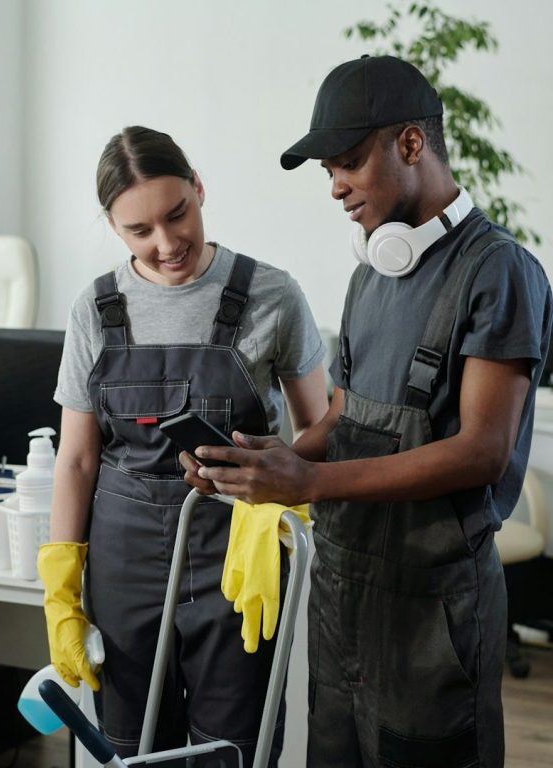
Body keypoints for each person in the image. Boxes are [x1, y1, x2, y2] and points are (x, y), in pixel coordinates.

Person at [180, 56, 553, 768]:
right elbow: (346, 417)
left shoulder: (498, 271)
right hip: (341, 599)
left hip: (433, 614)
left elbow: (483, 451)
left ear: (411, 145)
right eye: (328, 171)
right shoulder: (368, 278)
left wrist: (309, 484)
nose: (336, 187)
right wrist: (263, 458)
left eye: (348, 162)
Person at [37, 125, 328, 766]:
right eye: (140, 231)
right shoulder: (97, 308)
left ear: (199, 189)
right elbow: (79, 458)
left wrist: (275, 507)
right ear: (114, 228)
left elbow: (320, 430)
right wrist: (60, 589)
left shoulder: (271, 294)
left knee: (233, 751)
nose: (167, 245)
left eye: (178, 215)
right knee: (130, 747)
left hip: (236, 558)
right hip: (124, 561)